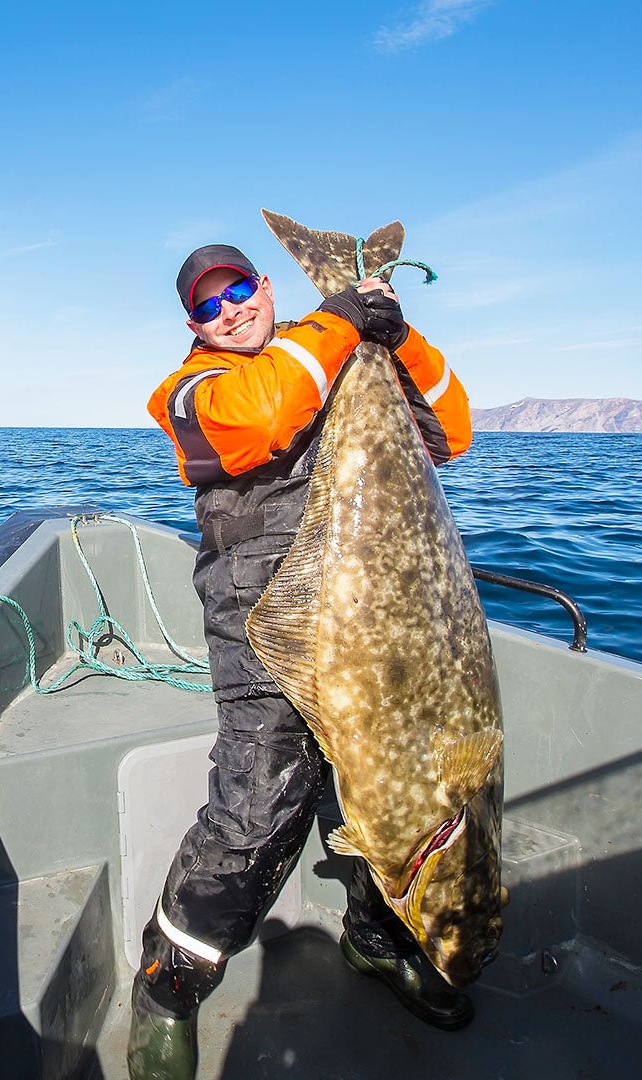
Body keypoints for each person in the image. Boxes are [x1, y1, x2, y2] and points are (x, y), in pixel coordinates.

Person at [131, 240, 474, 1078]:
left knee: (376, 786)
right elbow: (261, 417)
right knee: (259, 802)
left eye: (240, 289)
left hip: (369, 617)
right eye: (211, 305)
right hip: (261, 622)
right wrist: (338, 319)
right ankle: (167, 987)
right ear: (194, 326)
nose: (232, 310)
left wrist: (397, 337)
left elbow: (451, 431)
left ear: (265, 286)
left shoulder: (333, 356)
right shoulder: (193, 391)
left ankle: (376, 938)